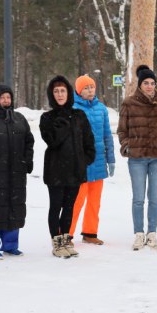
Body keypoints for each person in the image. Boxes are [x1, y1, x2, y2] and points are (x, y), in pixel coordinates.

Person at [117, 65, 157, 251]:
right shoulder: (129, 103)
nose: (150, 86)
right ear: (140, 85)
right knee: (138, 198)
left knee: (155, 198)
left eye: (152, 83)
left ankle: (152, 234)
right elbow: (122, 130)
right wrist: (127, 146)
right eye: (146, 83)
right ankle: (139, 234)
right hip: (138, 158)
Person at [40, 75, 95, 259]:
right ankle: (56, 241)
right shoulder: (47, 117)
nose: (60, 94)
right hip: (55, 170)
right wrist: (62, 120)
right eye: (56, 91)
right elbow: (52, 140)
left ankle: (65, 239)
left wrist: (85, 159)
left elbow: (88, 140)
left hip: (75, 170)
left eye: (63, 90)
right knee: (56, 206)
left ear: (69, 93)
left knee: (69, 206)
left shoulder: (79, 115)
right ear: (51, 94)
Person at [0, 83, 34, 258]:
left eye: (8, 97)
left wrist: (27, 160)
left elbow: (28, 141)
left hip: (16, 172)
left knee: (14, 207)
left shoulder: (19, 118)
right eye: (2, 98)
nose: (6, 100)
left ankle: (11, 244)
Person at [69, 74, 115, 245]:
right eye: (86, 88)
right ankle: (67, 234)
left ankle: (90, 232)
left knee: (95, 202)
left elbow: (107, 135)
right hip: (81, 163)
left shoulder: (102, 109)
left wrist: (111, 159)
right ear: (79, 91)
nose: (89, 90)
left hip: (99, 161)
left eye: (92, 87)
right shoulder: (73, 108)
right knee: (76, 201)